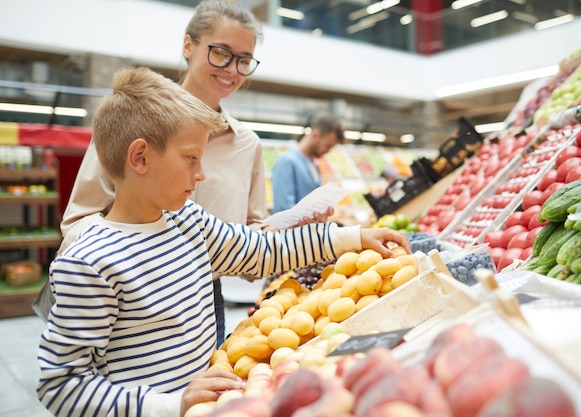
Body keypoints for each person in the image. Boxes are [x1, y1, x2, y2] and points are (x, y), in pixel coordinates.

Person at [36, 66, 410, 417]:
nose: (200, 175)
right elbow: (60, 384)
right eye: (191, 159)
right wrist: (168, 404)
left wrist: (351, 237)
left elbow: (260, 251)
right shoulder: (89, 263)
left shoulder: (187, 220)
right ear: (140, 157)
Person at [39, 0, 331, 346]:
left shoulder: (246, 145)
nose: (232, 70)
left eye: (244, 60)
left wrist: (291, 230)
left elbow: (250, 242)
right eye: (221, 52)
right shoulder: (136, 118)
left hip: (207, 299)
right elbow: (80, 220)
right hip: (131, 298)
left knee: (201, 396)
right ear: (188, 45)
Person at [271, 113, 344, 213]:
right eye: (327, 146)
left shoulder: (314, 164)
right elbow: (283, 208)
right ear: (315, 135)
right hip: (292, 228)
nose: (328, 151)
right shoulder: (286, 161)